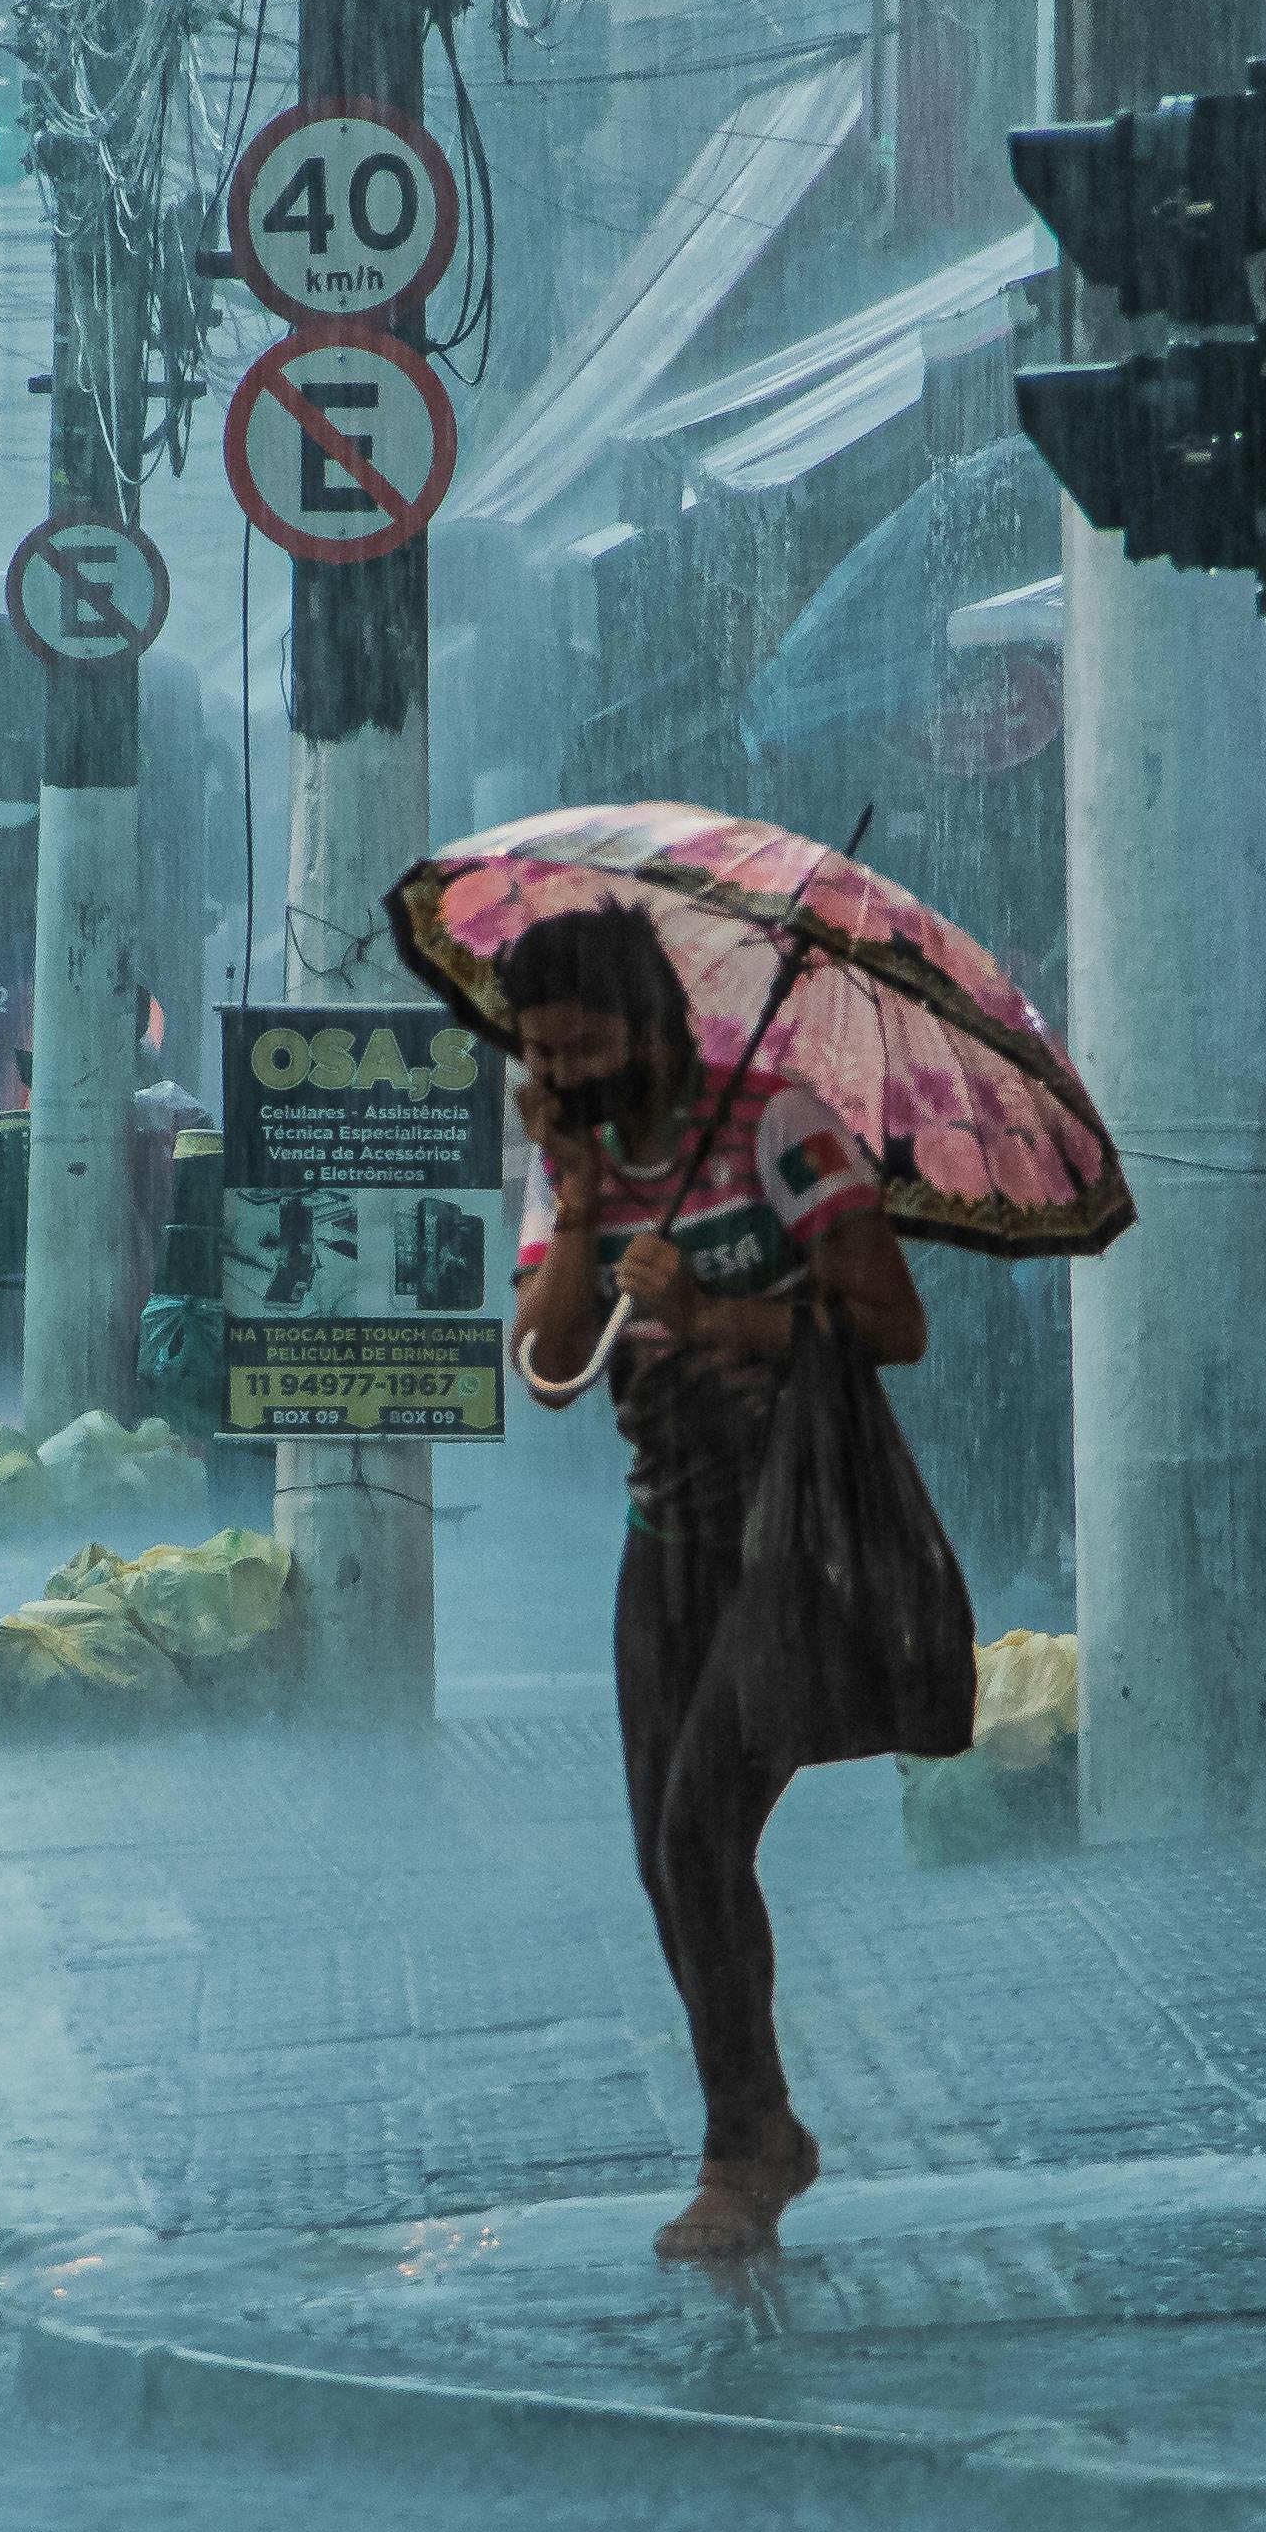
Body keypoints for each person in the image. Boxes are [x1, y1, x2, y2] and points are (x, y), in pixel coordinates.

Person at [495, 905, 932, 2265]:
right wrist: (573, 1201)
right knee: (668, 1862)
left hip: (792, 1537)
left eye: (585, 1048)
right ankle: (763, 2129)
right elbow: (553, 1365)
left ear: (652, 1026)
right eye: (540, 1056)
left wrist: (716, 1312)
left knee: (698, 1838)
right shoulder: (574, 1162)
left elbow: (891, 1323)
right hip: (664, 1540)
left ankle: (744, 2148)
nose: (563, 1077)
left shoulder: (777, 1128)